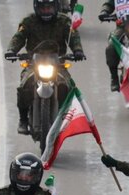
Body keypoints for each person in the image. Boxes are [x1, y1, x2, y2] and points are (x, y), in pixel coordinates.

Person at [5, 0, 86, 135]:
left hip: (58, 63)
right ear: (37, 8)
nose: (46, 11)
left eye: (49, 8)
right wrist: (11, 50)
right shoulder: (28, 21)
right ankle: (23, 120)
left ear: (55, 7)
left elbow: (74, 37)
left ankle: (65, 116)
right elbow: (18, 37)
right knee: (24, 85)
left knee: (68, 86)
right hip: (33, 63)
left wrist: (78, 50)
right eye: (43, 8)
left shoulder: (64, 21)